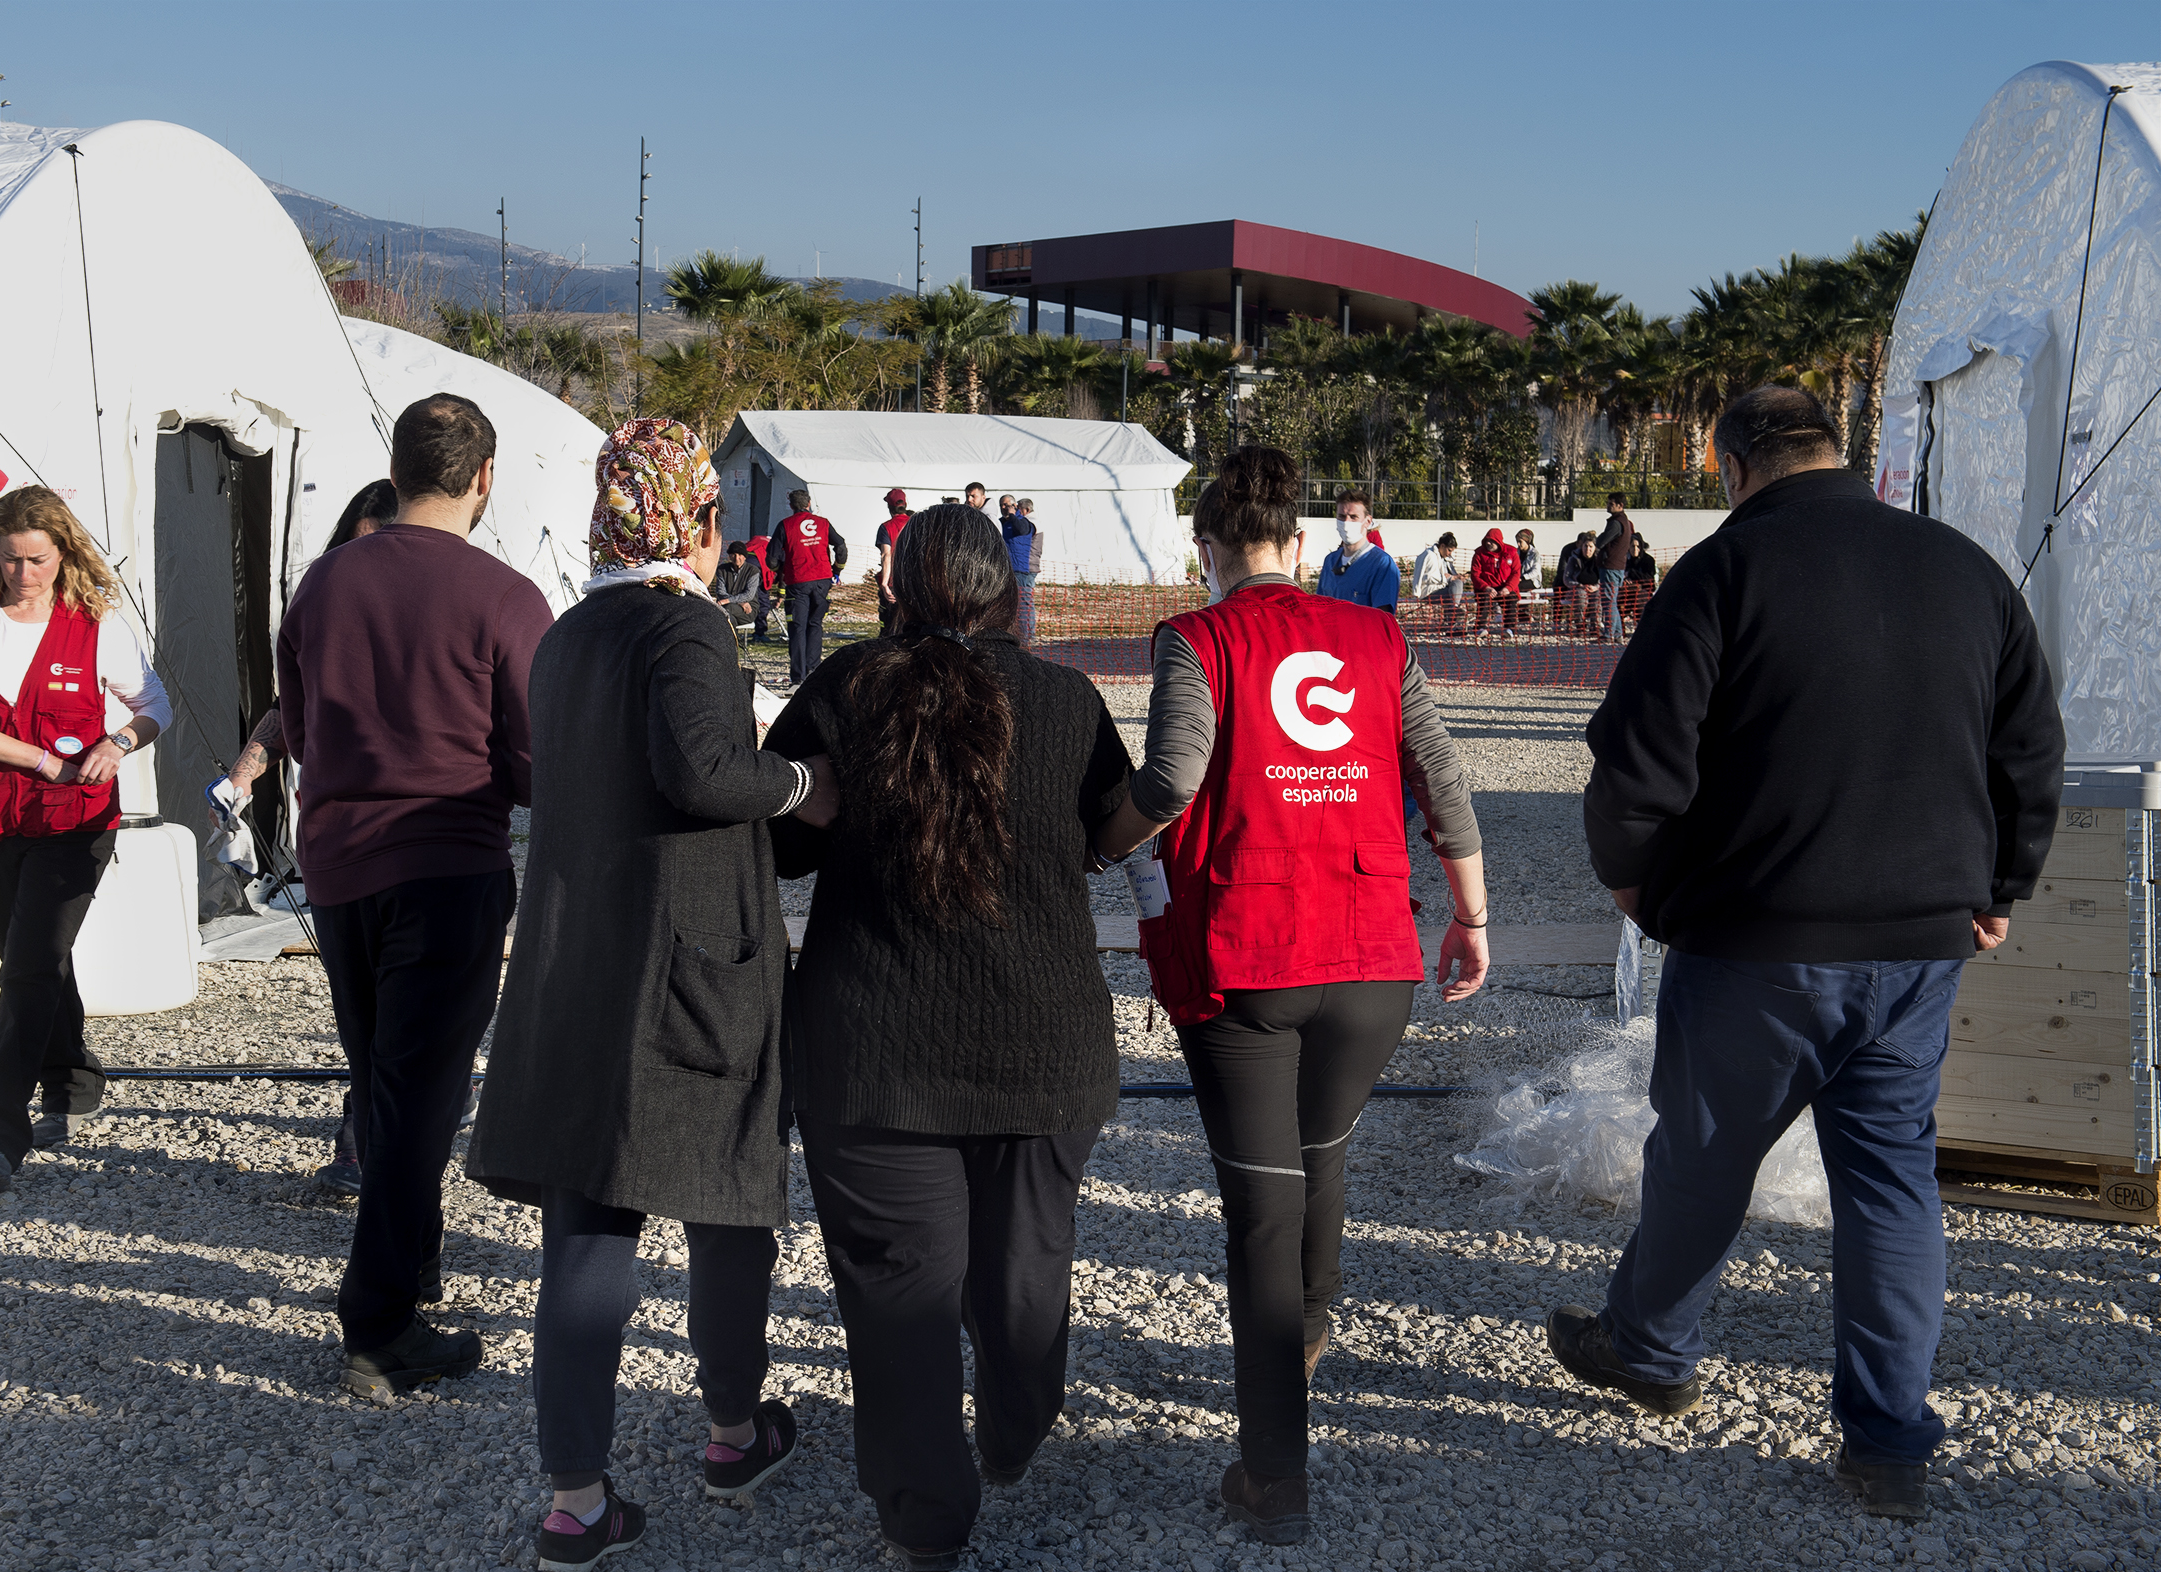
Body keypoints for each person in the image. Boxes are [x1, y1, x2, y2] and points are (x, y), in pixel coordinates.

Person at [1558, 386, 2066, 1522]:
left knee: (1701, 1158)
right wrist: (2001, 886)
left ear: (1733, 465)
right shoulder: (1963, 568)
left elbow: (1636, 767)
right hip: (1919, 947)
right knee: (1890, 1188)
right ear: (1839, 455)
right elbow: (2030, 746)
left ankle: (1649, 1351)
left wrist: (1634, 884)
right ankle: (1887, 1443)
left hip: (1756, 941)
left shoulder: (1722, 572)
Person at [1092, 448, 1491, 1546]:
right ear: (1301, 546)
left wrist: (1100, 842)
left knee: (1259, 1204)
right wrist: (1472, 913)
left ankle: (1275, 1473)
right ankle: (1311, 1326)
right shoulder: (1378, 635)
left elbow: (1172, 777)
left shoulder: (1198, 637)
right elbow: (1438, 774)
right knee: (1322, 1154)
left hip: (1250, 953)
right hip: (1371, 956)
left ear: (1209, 549)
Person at [467, 418, 839, 1569]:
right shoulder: (682, 625)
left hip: (583, 965)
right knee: (727, 1205)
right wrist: (804, 785)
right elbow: (702, 773)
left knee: (587, 1231)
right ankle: (733, 1431)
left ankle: (575, 1497)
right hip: (690, 970)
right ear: (693, 514)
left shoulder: (571, 633)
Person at [765, 505, 1132, 1570]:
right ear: (1008, 590)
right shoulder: (1064, 699)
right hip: (1043, 1039)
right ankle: (1015, 1428)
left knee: (896, 1291)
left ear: (895, 587)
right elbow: (1112, 829)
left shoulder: (844, 688)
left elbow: (785, 849)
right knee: (1028, 1265)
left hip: (875, 1045)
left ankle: (924, 1521)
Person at [276, 392, 553, 1400]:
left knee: (384, 1080)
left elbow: (298, 727)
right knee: (421, 1099)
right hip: (446, 861)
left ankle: (414, 1271)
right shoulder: (505, 596)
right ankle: (380, 1323)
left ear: (395, 472)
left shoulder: (323, 584)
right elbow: (533, 758)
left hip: (340, 864)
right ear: (485, 477)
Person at [0, 487, 173, 1193]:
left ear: (63, 556)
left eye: (37, 560)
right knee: (30, 954)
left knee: (28, 967)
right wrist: (35, 757)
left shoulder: (97, 626)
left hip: (74, 824)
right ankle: (73, 1077)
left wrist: (120, 741)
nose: (23, 574)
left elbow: (155, 706)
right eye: (10, 560)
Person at [213, 477, 398, 1199]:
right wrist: (247, 769)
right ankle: (368, 1129)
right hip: (339, 839)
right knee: (361, 1000)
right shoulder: (320, 608)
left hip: (422, 836)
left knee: (398, 997)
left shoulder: (436, 608)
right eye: (358, 548)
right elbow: (291, 707)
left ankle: (376, 1130)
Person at [765, 489, 846, 687]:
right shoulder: (824, 523)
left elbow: (771, 559)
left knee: (797, 628)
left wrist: (780, 570)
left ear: (791, 506)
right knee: (815, 625)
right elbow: (841, 546)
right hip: (822, 581)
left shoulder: (784, 525)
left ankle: (798, 678)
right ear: (809, 503)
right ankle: (814, 673)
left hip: (798, 582)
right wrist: (837, 569)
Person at [1314, 490, 1398, 613]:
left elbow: (1382, 619)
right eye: (1342, 517)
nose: (1346, 522)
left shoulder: (1382, 564)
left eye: (1354, 517)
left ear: (1368, 522)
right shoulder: (1330, 561)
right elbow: (1320, 607)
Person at [1001, 498, 1042, 644]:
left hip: (1024, 569)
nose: (1006, 508)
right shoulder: (1007, 522)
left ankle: (1027, 635)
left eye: (1009, 505)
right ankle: (1022, 634)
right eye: (1003, 505)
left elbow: (1022, 530)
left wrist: (1012, 515)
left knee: (1024, 603)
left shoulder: (1027, 522)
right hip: (1015, 568)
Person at [1595, 492, 1635, 643]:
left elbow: (1601, 541)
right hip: (1617, 566)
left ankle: (1609, 633)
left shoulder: (1616, 523)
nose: (1608, 505)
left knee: (1608, 600)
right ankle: (1617, 634)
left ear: (1620, 506)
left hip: (1610, 565)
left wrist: (1598, 539)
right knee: (1612, 600)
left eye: (1611, 503)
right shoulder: (1624, 521)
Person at [710, 539, 770, 638]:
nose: (736, 558)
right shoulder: (722, 570)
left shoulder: (753, 571)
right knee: (729, 616)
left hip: (748, 610)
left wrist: (728, 600)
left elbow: (749, 595)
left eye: (740, 555)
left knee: (727, 609)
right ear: (729, 556)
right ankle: (732, 641)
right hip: (734, 607)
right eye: (733, 555)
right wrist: (740, 602)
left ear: (745, 556)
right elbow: (720, 592)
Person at [1409, 532, 1465, 634]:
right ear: (1442, 546)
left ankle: (1452, 618)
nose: (1449, 554)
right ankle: (1452, 618)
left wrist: (1451, 577)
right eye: (1449, 550)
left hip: (1435, 589)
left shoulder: (1439, 556)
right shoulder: (1430, 556)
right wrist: (1447, 578)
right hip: (1427, 592)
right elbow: (1427, 577)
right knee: (1453, 593)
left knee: (1455, 588)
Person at [874, 487, 912, 636]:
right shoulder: (916, 523)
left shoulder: (886, 527)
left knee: (889, 628)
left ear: (889, 507)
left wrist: (884, 583)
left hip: (894, 583)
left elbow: (886, 555)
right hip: (913, 584)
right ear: (905, 504)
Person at [1468, 527, 1520, 635]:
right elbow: (1475, 574)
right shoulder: (1479, 554)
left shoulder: (1512, 552)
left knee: (1511, 600)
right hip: (1486, 587)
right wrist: (1485, 587)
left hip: (1505, 586)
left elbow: (1516, 573)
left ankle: (1509, 629)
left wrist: (1508, 588)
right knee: (1484, 600)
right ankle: (1480, 628)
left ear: (1499, 542)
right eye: (1487, 540)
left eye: (1492, 541)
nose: (1489, 543)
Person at [1555, 531, 1599, 635]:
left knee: (1597, 597)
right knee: (1581, 596)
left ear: (1594, 548)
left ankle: (1595, 626)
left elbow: (1603, 577)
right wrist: (1578, 585)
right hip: (1577, 588)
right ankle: (1580, 625)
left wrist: (1596, 587)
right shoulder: (1573, 558)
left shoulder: (1599, 559)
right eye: (1585, 546)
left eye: (1590, 547)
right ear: (1581, 546)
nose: (1588, 549)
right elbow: (1566, 578)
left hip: (1594, 588)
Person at [744, 525, 779, 639]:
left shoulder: (759, 539)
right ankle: (759, 633)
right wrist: (780, 595)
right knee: (762, 601)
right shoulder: (778, 545)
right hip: (758, 566)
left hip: (742, 565)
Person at [1624, 532, 1657, 627]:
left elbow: (1649, 577)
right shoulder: (1626, 560)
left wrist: (1632, 573)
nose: (1635, 549)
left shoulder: (1648, 560)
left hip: (1645, 589)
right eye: (1632, 546)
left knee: (1639, 602)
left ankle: (1643, 626)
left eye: (1637, 546)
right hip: (1629, 589)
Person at [1513, 528, 1541, 632]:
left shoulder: (1535, 554)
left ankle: (1523, 613)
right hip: (1519, 579)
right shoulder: (1516, 552)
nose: (1518, 544)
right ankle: (1520, 614)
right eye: (1517, 542)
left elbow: (1536, 571)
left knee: (1517, 587)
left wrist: (1522, 577)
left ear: (1527, 541)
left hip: (1532, 580)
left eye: (1520, 542)